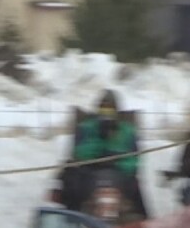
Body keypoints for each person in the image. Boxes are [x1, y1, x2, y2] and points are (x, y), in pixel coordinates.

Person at [61, 90, 146, 219]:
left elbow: (134, 160)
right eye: (104, 109)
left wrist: (116, 161)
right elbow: (79, 153)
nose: (107, 114)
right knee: (71, 182)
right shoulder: (86, 127)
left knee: (136, 191)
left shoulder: (127, 130)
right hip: (89, 171)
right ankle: (71, 218)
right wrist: (99, 145)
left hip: (119, 173)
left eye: (110, 110)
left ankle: (143, 221)